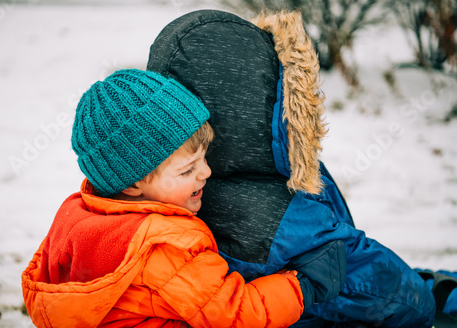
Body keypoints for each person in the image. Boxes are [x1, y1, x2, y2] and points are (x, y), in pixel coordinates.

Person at [147, 9, 438, 327]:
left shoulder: (164, 188)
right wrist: (432, 296)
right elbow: (388, 292)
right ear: (261, 101)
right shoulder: (277, 214)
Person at [21, 69, 346, 327]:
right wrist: (303, 285)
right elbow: (235, 316)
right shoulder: (167, 247)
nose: (205, 173)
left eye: (204, 157)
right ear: (133, 184)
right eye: (187, 170)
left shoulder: (77, 215)